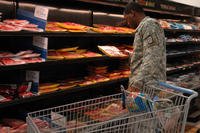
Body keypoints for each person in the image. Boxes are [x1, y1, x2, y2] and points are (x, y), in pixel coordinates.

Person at [124, 2, 166, 94]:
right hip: (144, 85)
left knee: (151, 108)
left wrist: (137, 83)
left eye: (127, 19)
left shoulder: (149, 25)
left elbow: (153, 57)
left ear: (132, 13)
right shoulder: (143, 27)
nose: (127, 23)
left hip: (149, 86)